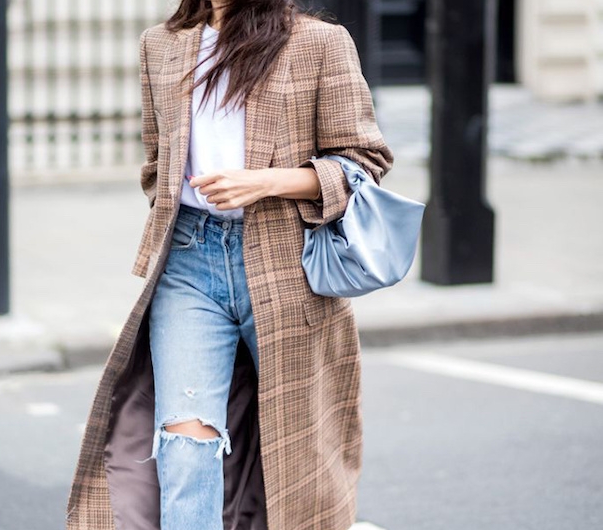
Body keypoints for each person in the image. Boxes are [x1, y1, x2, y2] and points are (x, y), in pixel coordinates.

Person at [65, 1, 393, 529]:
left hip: (286, 265)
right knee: (184, 446)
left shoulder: (317, 42)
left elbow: (363, 161)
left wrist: (267, 181)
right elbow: (157, 163)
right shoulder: (162, 45)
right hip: (189, 263)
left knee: (298, 449)